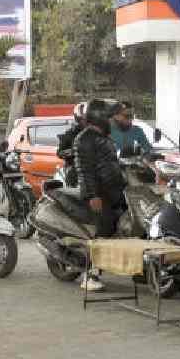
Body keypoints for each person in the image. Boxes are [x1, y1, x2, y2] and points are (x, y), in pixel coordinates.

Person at [74, 98, 125, 292]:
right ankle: (89, 275)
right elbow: (84, 170)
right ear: (99, 117)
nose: (112, 120)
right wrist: (93, 195)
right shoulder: (84, 139)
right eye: (109, 117)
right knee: (102, 231)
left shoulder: (103, 137)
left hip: (112, 191)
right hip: (98, 194)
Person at [56, 102, 87, 186]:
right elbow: (60, 152)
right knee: (72, 175)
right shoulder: (70, 134)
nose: (86, 122)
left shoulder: (97, 132)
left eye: (88, 119)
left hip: (94, 167)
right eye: (83, 119)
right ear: (78, 119)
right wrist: (73, 151)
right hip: (76, 167)